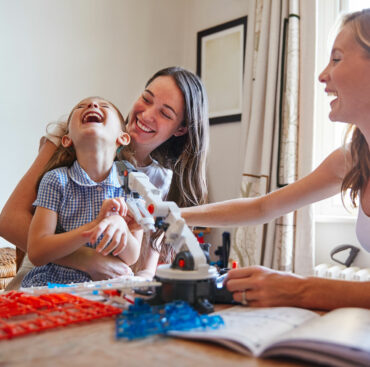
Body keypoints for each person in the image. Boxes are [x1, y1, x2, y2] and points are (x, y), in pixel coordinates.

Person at [181, 9, 370, 310]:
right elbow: (263, 206)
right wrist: (175, 216)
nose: (323, 75)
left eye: (336, 59)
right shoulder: (351, 160)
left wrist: (298, 290)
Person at [0, 66, 209, 285]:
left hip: (105, 287)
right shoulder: (73, 133)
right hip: (44, 277)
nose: (146, 115)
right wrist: (89, 259)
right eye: (146, 99)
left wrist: (133, 286)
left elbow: (144, 267)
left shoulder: (156, 180)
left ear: (180, 129)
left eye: (165, 113)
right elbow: (9, 222)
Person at [21, 96, 143, 287]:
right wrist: (94, 225)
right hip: (53, 285)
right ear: (67, 139)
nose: (92, 105)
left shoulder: (132, 181)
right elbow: (36, 252)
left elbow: (132, 257)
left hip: (104, 287)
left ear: (123, 137)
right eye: (81, 106)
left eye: (103, 106)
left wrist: (120, 226)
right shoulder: (55, 180)